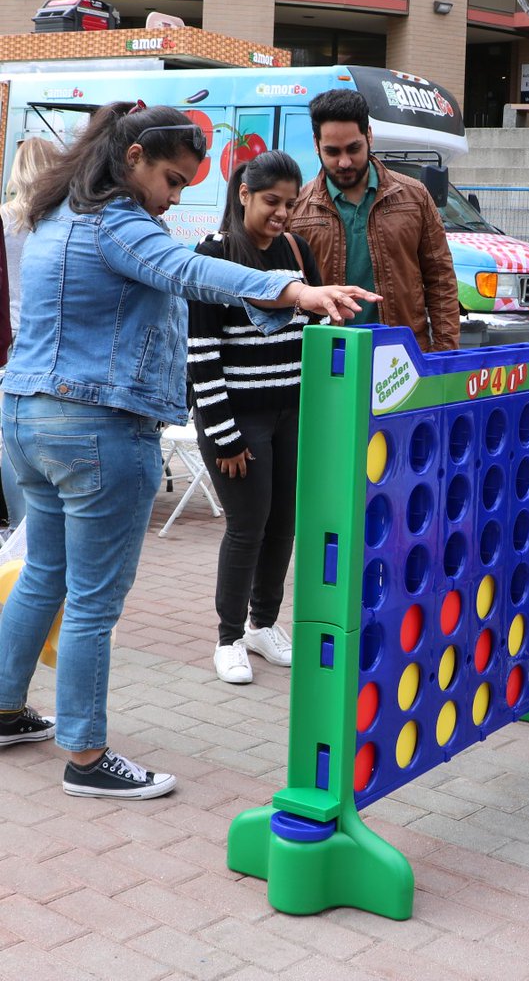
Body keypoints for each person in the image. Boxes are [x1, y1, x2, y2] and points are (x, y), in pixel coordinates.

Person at [0, 103, 377, 800]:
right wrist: (294, 289)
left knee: (44, 574)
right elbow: (195, 273)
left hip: (26, 418)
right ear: (134, 156)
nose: (176, 198)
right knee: (91, 600)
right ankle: (86, 757)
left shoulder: (57, 215)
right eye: (173, 180)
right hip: (97, 429)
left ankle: (3, 708)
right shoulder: (118, 224)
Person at [187, 151, 338, 685]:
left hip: (291, 412)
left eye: (290, 204)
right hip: (238, 419)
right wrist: (224, 435)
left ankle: (263, 625)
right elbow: (202, 352)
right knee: (247, 527)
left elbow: (317, 328)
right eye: (272, 201)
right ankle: (228, 637)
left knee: (282, 525)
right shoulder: (214, 253)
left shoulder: (297, 250)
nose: (282, 213)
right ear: (244, 193)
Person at [289, 88, 460, 353]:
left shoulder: (415, 197)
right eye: (332, 152)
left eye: (353, 148)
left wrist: (445, 357)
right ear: (316, 144)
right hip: (329, 360)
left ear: (369, 135)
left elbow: (440, 281)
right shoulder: (298, 210)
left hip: (405, 359)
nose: (344, 162)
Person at [0, 137, 62, 526]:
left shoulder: (5, 219)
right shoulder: (57, 221)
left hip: (11, 336)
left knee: (9, 436)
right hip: (48, 336)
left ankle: (22, 522)